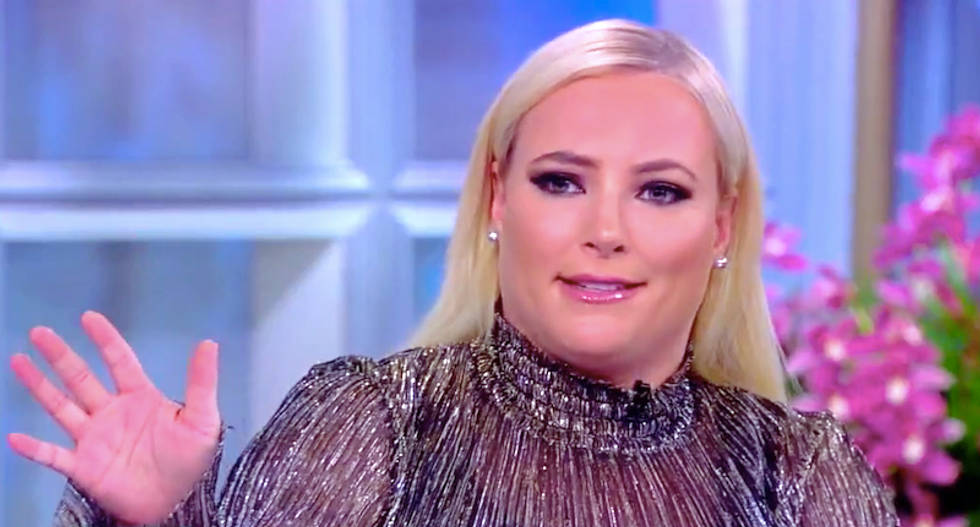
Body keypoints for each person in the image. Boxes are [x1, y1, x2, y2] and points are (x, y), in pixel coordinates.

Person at [8, 19, 898, 527]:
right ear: (499, 197)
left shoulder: (801, 472)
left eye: (660, 191)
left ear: (722, 225)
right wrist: (161, 517)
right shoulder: (377, 424)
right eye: (561, 181)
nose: (605, 231)